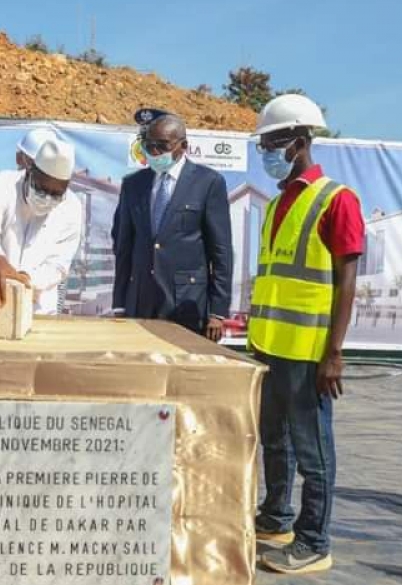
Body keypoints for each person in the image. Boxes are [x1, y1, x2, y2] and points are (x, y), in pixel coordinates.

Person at [248, 94, 364, 575]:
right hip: (271, 348)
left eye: (272, 144)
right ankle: (277, 518)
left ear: (298, 143)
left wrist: (333, 354)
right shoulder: (278, 204)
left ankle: (315, 540)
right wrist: (256, 341)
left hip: (310, 353)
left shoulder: (336, 200)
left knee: (313, 451)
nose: (266, 153)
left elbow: (346, 280)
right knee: (275, 440)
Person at [112, 113, 232, 340]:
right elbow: (123, 247)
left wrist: (217, 312)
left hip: (186, 304)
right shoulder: (133, 185)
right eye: (149, 145)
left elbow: (221, 251)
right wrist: (119, 303)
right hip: (141, 302)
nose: (155, 152)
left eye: (162, 145)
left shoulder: (208, 183)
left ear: (183, 146)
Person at [0, 139, 82, 315]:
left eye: (56, 194)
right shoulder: (2, 184)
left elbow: (58, 264)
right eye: (41, 189)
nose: (47, 198)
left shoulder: (71, 207)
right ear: (30, 172)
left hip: (34, 309)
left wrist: (25, 279)